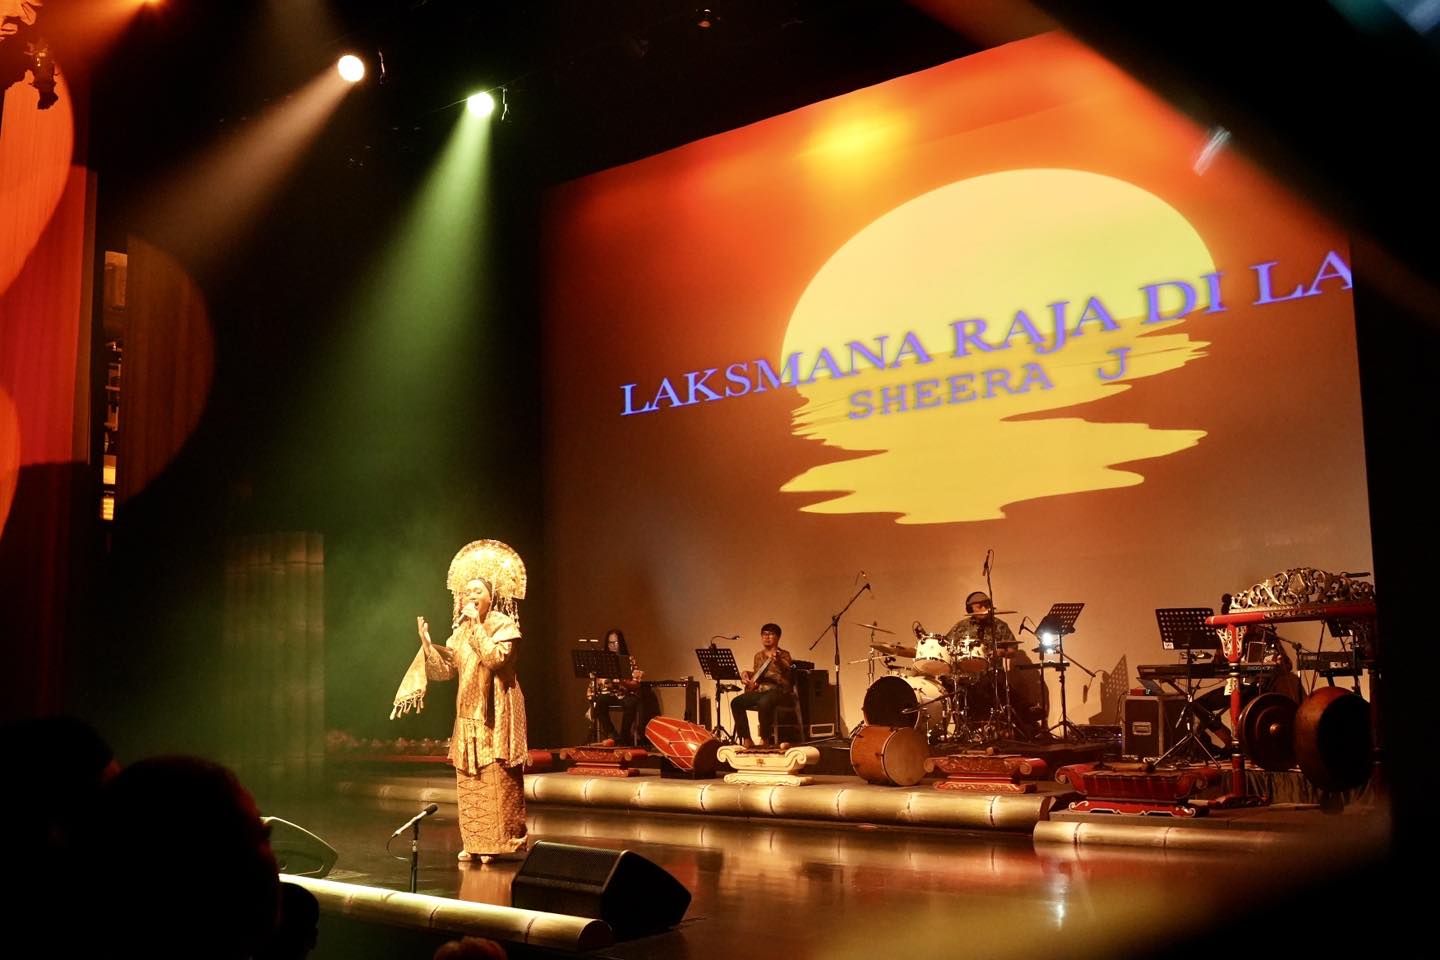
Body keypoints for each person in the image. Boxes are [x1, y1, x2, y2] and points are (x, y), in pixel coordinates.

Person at [392, 539, 529, 864]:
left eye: (477, 592)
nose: (470, 597)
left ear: (490, 597)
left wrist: (478, 627)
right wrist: (427, 645)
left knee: (496, 775)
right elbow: (444, 672)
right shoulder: (461, 631)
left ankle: (502, 843)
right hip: (467, 713)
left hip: (495, 712)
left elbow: (496, 659)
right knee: (470, 780)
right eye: (466, 592)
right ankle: (475, 842)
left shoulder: (502, 626)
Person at [730, 622, 793, 747]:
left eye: (770, 634)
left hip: (779, 691)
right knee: (736, 702)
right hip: (760, 691)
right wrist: (745, 674)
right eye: (764, 634)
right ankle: (746, 738)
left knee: (764, 703)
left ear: (778, 637)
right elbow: (757, 674)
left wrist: (778, 661)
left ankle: (765, 738)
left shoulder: (784, 654)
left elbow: (788, 669)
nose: (766, 637)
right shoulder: (758, 656)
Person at [591, 628, 644, 746]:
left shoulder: (629, 660)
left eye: (616, 643)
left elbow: (636, 684)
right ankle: (612, 735)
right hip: (609, 694)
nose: (613, 646)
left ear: (621, 643)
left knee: (632, 702)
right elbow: (597, 682)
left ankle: (624, 737)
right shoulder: (603, 661)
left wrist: (622, 682)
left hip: (624, 693)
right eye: (610, 643)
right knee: (599, 701)